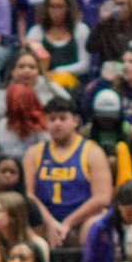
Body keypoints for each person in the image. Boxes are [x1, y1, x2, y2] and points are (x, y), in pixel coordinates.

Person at [22, 94, 111, 248]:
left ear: (75, 121)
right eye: (52, 119)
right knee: (24, 223)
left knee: (94, 227)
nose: (57, 124)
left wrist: (68, 222)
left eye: (63, 118)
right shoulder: (34, 153)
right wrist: (50, 222)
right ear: (45, 122)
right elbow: (29, 195)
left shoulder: (92, 151)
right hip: (46, 219)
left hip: (82, 219)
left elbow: (103, 197)